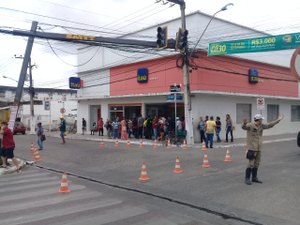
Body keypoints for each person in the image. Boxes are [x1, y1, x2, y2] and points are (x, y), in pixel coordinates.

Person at [242, 113, 283, 185]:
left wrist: (278, 120)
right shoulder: (250, 125)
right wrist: (244, 123)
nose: (262, 120)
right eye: (261, 119)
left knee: (257, 163)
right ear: (258, 120)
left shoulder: (261, 126)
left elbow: (269, 125)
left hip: (259, 148)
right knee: (251, 164)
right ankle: (247, 178)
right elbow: (244, 127)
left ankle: (254, 178)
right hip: (252, 148)